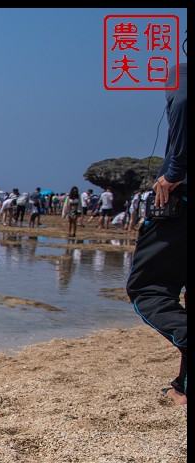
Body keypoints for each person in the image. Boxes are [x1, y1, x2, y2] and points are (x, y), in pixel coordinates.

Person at [126, 61, 187, 405]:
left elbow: (181, 102)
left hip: (181, 205)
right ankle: (183, 387)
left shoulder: (182, 72)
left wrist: (174, 169)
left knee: (146, 289)